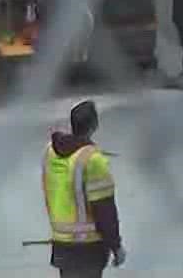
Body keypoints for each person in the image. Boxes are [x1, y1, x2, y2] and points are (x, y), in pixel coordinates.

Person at [43, 99, 125, 277]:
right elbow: (104, 209)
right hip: (88, 247)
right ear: (94, 124)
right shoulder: (92, 160)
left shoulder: (51, 152)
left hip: (61, 241)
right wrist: (116, 245)